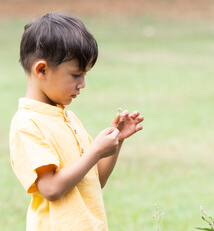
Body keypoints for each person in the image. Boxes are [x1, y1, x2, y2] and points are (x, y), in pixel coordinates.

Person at [9, 13, 144, 231]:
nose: (82, 84)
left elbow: (94, 180)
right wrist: (95, 152)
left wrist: (115, 142)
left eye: (84, 76)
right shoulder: (28, 123)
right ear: (42, 70)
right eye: (75, 75)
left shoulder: (68, 118)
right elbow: (51, 188)